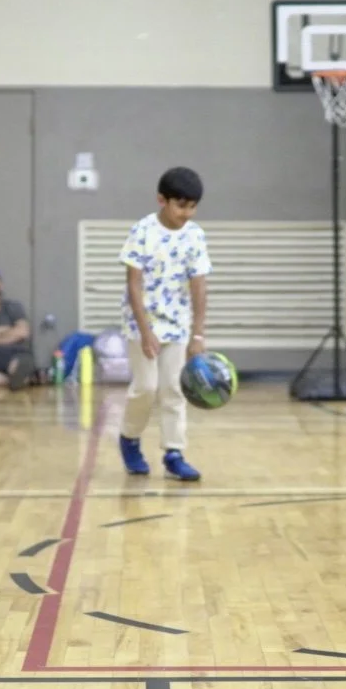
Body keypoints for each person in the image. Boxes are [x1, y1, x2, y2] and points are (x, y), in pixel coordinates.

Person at [117, 167, 210, 482]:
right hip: (142, 323)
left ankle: (174, 453)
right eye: (181, 205)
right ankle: (129, 438)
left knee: (173, 388)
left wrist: (198, 333)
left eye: (192, 206)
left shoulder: (195, 235)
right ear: (162, 200)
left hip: (178, 325)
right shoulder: (142, 231)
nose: (187, 213)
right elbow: (133, 285)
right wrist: (145, 332)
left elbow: (199, 285)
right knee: (146, 387)